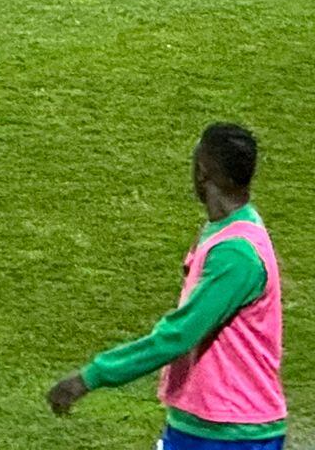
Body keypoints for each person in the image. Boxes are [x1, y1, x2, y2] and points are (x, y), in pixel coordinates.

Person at [48, 123, 287, 449]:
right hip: (208, 423)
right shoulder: (225, 229)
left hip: (231, 433)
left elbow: (178, 336)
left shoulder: (237, 254)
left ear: (202, 172)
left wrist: (90, 376)